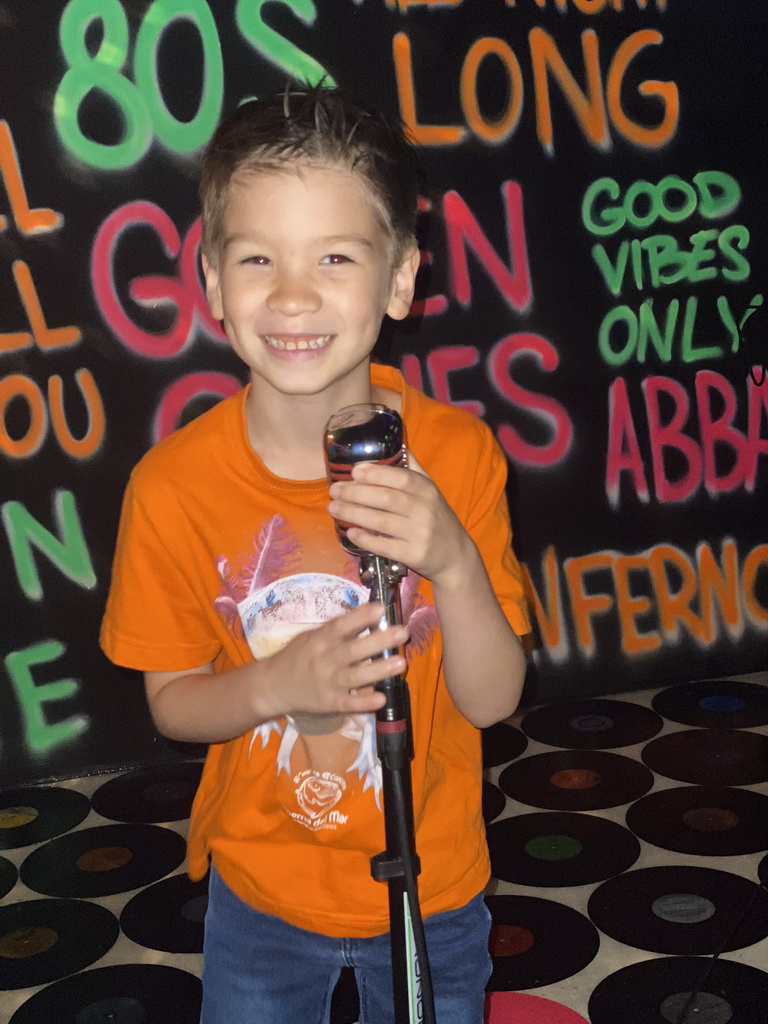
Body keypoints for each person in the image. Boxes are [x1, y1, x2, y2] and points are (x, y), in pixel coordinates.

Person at [100, 85, 530, 1024]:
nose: (292, 295)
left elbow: (494, 699)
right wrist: (276, 682)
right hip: (260, 895)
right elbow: (175, 704)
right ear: (213, 281)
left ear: (402, 278)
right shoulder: (172, 486)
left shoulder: (458, 457)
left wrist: (452, 561)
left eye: (335, 256)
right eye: (257, 258)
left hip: (433, 886)